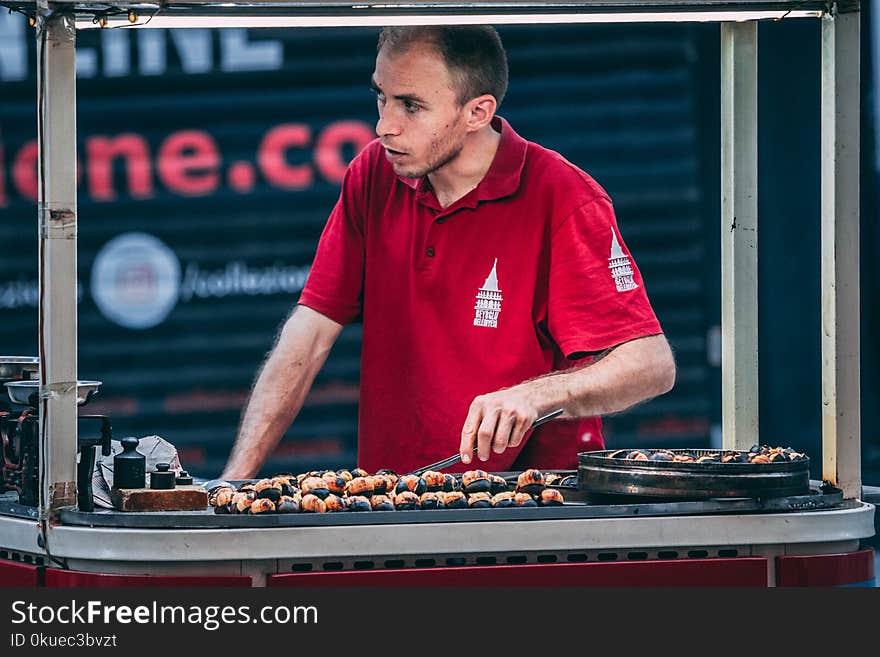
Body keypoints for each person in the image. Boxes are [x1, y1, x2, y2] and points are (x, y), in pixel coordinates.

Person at [221, 25, 675, 480]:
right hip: (393, 505)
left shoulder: (562, 196)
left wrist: (535, 396)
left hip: (534, 516)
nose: (384, 126)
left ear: (477, 112)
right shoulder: (372, 176)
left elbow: (650, 365)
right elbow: (309, 333)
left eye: (411, 106)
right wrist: (231, 485)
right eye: (381, 96)